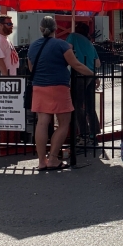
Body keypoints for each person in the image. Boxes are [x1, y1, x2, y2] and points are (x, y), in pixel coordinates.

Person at [28, 16, 94, 171]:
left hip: (39, 87)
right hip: (58, 86)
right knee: (64, 123)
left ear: (40, 29)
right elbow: (76, 64)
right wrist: (93, 74)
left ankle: (41, 161)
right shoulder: (61, 45)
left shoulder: (33, 46)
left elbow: (31, 68)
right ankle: (53, 159)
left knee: (42, 123)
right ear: (55, 28)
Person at [66, 22, 101, 144]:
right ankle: (93, 133)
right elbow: (98, 63)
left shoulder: (72, 36)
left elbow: (67, 50)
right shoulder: (90, 43)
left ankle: (83, 134)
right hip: (91, 74)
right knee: (90, 105)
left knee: (77, 105)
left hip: (79, 73)